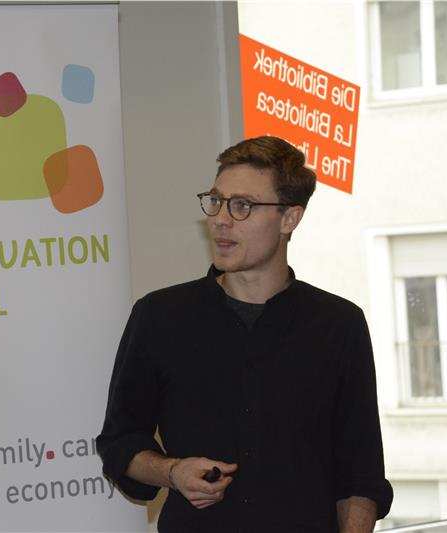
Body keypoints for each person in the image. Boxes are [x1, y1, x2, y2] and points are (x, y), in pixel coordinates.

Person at [96, 136, 392, 532]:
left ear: (290, 218)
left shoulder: (339, 325)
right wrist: (172, 472)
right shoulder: (159, 317)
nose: (221, 219)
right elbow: (120, 442)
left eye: (243, 206)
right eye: (216, 202)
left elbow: (360, 475)